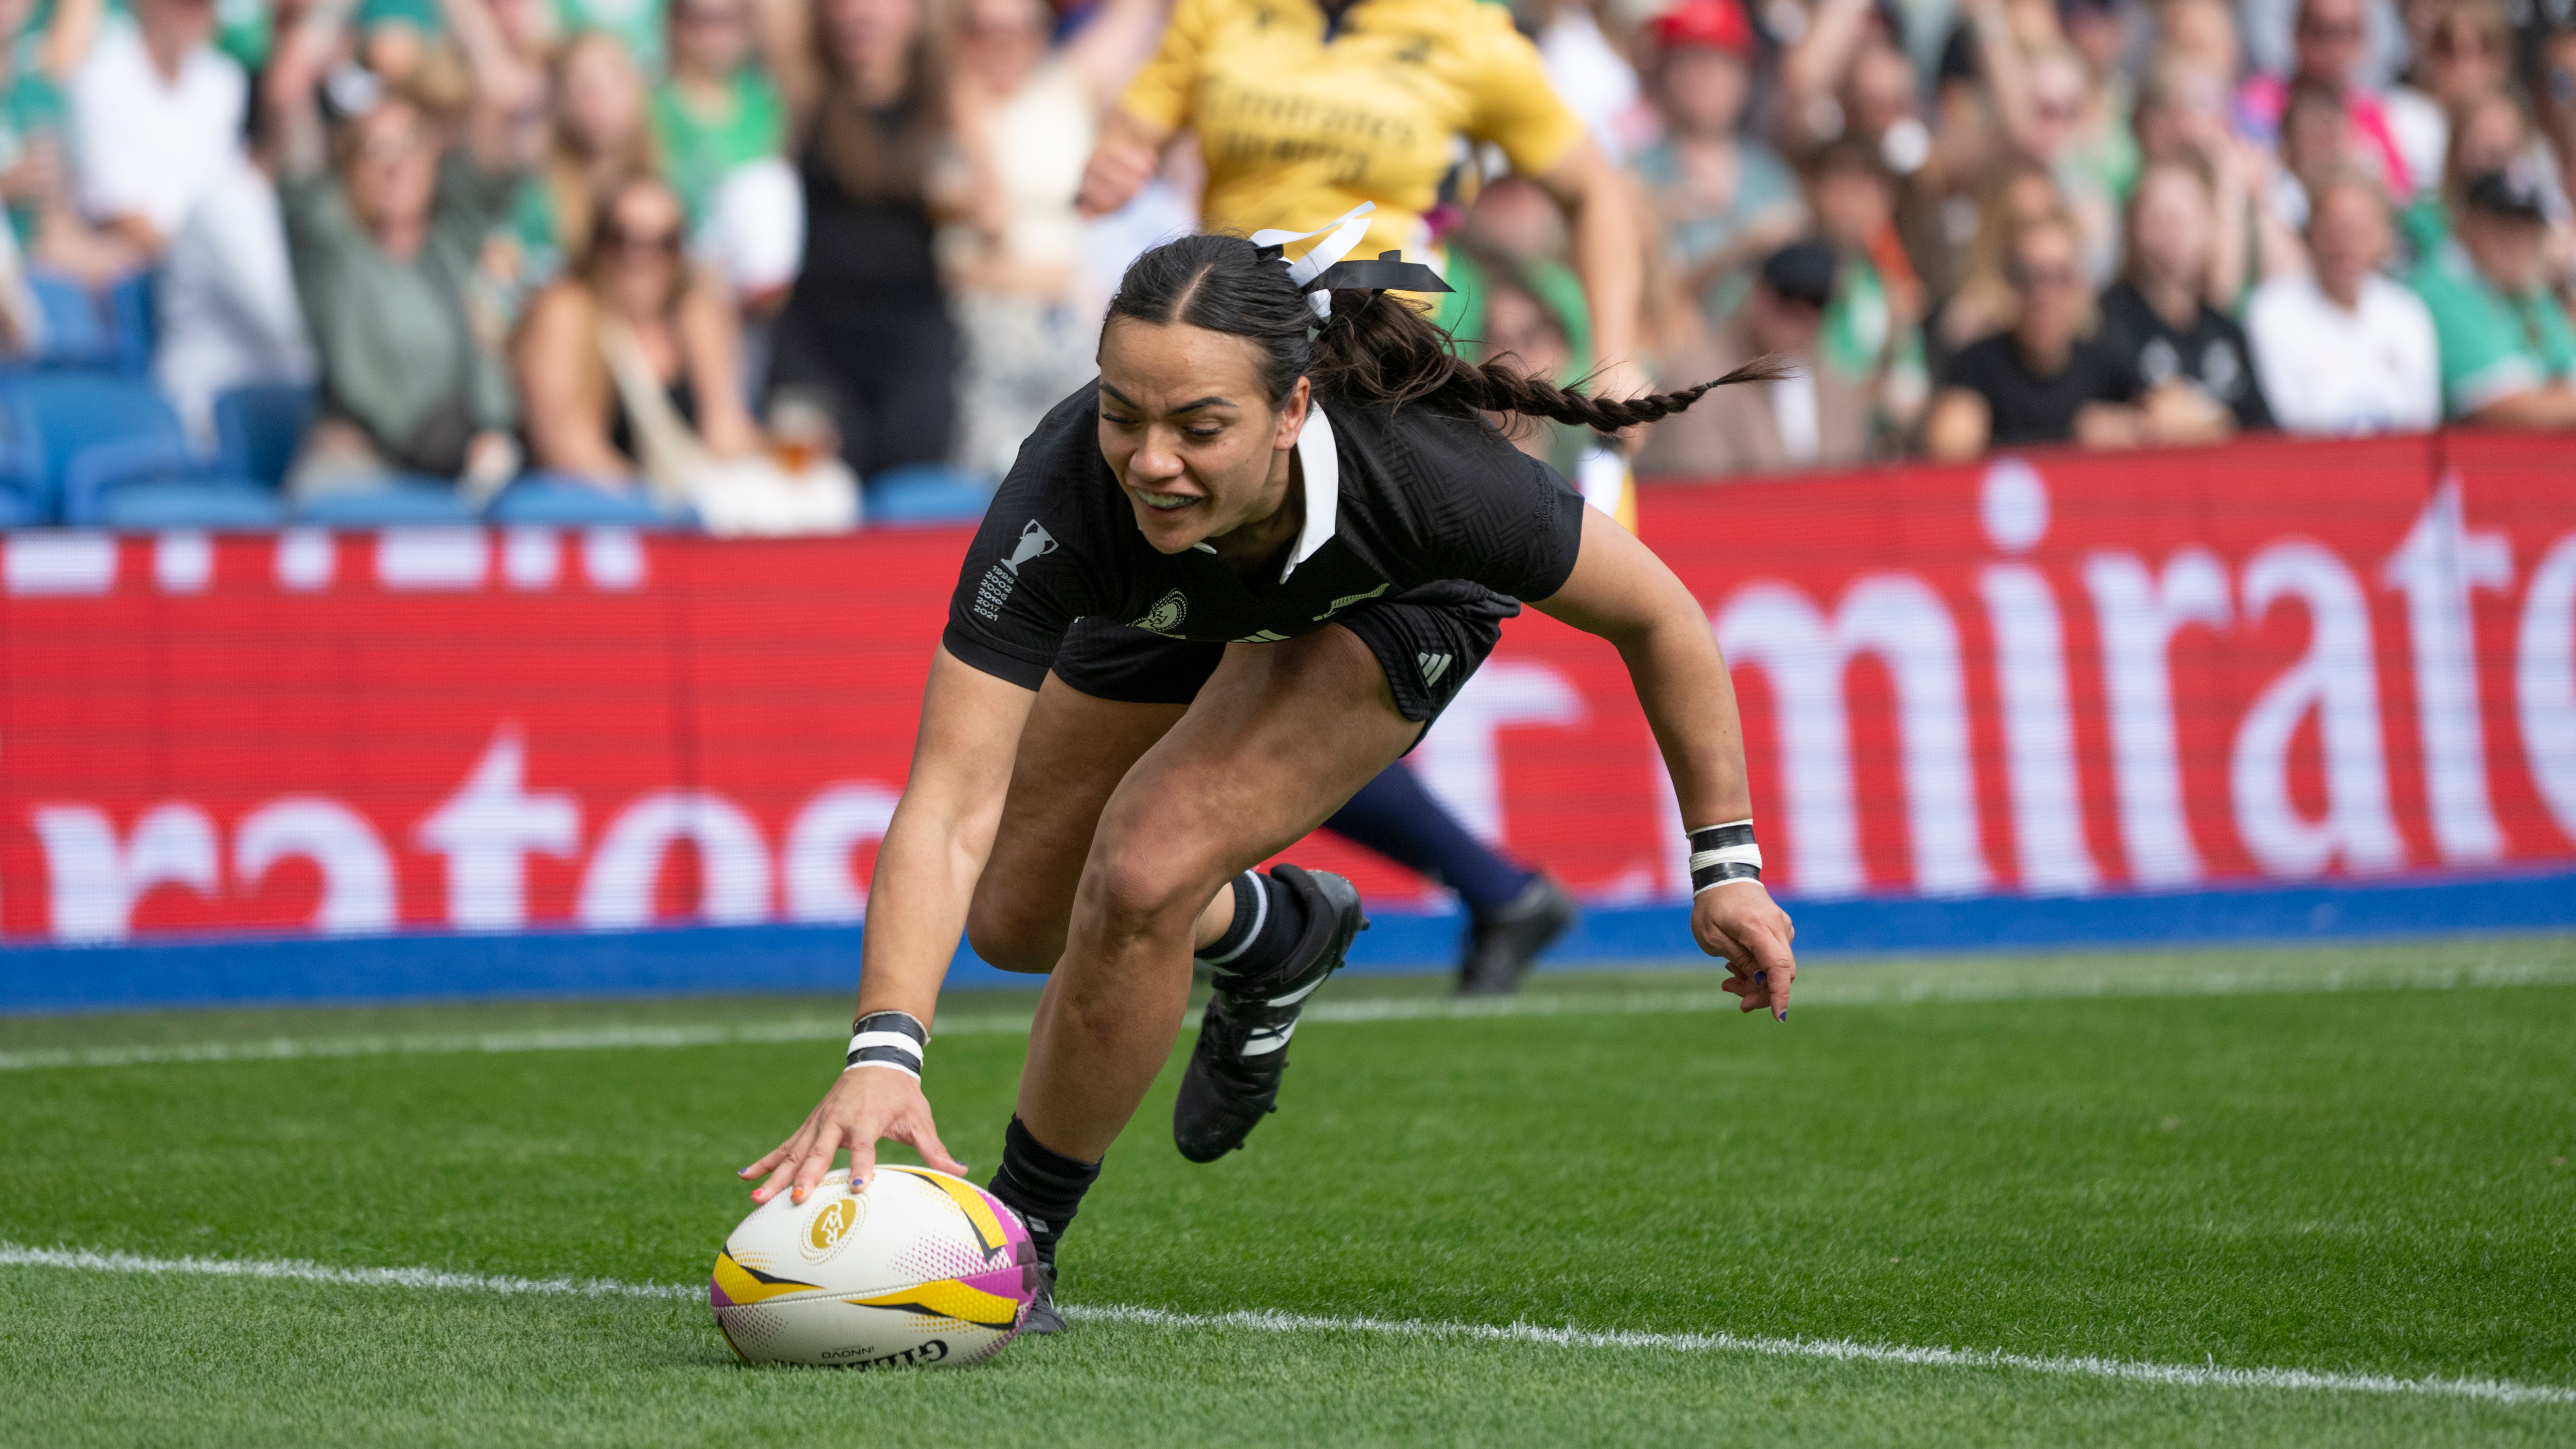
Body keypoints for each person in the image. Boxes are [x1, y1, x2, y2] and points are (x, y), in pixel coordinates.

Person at [737, 225, 1800, 1333]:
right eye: (1122, 413)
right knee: (1016, 920)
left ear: (1292, 411)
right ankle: (1266, 931)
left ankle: (1025, 1234)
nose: (1152, 458)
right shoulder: (1075, 494)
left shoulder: (1433, 479)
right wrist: (883, 1051)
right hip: (1182, 588)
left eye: (1200, 425)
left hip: (1393, 601)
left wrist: (1726, 866)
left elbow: (1661, 617)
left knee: (1143, 872)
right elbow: (951, 804)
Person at [1074, 0, 1639, 991]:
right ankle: (1479, 892)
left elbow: (1594, 192)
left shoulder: (1462, 35)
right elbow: (1131, 128)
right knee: (1249, 693)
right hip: (1228, 386)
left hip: (1375, 388)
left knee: (1258, 688)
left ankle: (1276, 929)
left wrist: (1619, 363)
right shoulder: (1220, 15)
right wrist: (1113, 162)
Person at [268, 0, 533, 499]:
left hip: (465, 455)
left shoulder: (455, 236)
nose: (395, 164)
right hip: (363, 461)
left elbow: (504, 93)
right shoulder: (330, 244)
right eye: (374, 149)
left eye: (410, 144)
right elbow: (288, 90)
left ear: (436, 157)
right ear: (348, 170)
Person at [940, 0, 1162, 485]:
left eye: (1019, 31)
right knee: (993, 480)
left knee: (1081, 472)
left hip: (1073, 325)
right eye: (983, 31)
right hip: (985, 330)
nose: (1003, 45)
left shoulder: (1064, 88)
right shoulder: (940, 102)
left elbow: (1136, 14)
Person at [757, 0, 961, 479]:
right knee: (814, 495)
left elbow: (990, 204)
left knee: (917, 495)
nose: (860, 14)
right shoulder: (808, 89)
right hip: (816, 345)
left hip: (915, 344)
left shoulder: (944, 98)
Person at [514, 173, 763, 482]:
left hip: (682, 508)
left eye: (664, 242)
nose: (640, 258)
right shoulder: (568, 311)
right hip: (600, 516)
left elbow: (726, 432)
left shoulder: (694, 314)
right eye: (623, 238)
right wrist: (659, 503)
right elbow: (566, 450)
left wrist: (781, 452)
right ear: (598, 242)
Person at [1925, 208, 2234, 454]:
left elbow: (2213, 423)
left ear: (2080, 287)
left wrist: (2133, 427)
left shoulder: (2103, 363)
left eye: (2059, 277)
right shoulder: (1978, 366)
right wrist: (2072, 441)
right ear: (2008, 283)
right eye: (2027, 276)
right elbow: (1949, 449)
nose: (2043, 294)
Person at [1629, 0, 1805, 332]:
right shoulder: (1637, 173)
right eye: (1688, 61)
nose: (1704, 78)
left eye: (1720, 62)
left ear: (1744, 77)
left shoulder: (1773, 177)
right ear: (1664, 74)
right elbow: (1650, 301)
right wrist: (1742, 247)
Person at [1640, 239, 1873, 475]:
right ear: (1759, 292)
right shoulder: (1696, 378)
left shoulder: (1834, 390)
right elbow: (1702, 493)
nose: (1797, 317)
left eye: (1814, 305)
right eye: (1787, 299)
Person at [2245, 168, 2439, 432]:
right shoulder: (2272, 310)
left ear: (2384, 237)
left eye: (2359, 231)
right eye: (2334, 228)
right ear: (2311, 231)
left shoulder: (2408, 314)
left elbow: (2421, 424)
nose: (2346, 244)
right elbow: (2289, 423)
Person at [65, 0, 247, 272]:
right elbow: (115, 210)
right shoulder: (99, 75)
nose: (198, 13)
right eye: (185, 5)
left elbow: (230, 197)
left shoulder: (225, 81)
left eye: (206, 6)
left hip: (208, 266)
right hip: (140, 274)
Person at [2096, 161, 2274, 432]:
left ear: (2211, 227)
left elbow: (2263, 431)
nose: (2173, 232)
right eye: (2158, 218)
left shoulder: (2226, 331)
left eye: (2186, 218)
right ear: (2132, 228)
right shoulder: (2102, 323)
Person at [2408, 163, 2576, 425]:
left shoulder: (2528, 292)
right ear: (2467, 223)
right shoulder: (2440, 292)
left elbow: (2566, 371)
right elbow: (2507, 409)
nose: (2515, 239)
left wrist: (2550, 398)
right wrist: (2548, 398)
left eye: (2526, 226)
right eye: (2502, 223)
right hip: (2470, 461)